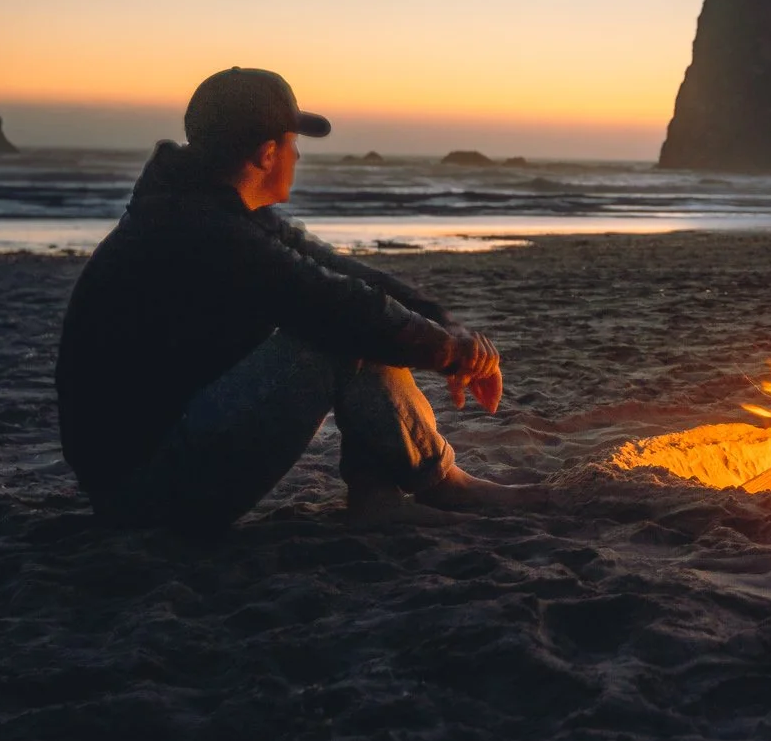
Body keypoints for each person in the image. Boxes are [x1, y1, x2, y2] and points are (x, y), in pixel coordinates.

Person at [56, 67, 523, 534]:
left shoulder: (210, 208)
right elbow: (333, 303)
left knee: (356, 317)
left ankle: (380, 496)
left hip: (164, 458)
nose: (297, 154)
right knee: (340, 330)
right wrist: (454, 356)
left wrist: (448, 329)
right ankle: (436, 484)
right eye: (292, 142)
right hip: (147, 494)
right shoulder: (201, 230)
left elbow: (341, 273)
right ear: (266, 154)